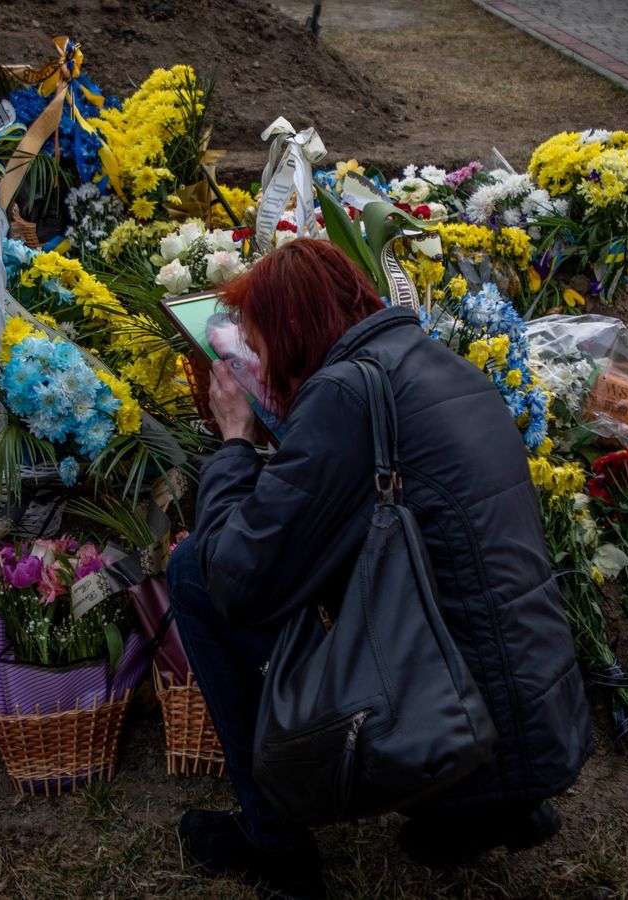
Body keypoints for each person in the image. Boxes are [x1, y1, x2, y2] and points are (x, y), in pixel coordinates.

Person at [168, 239, 591, 899]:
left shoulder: (345, 393)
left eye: (256, 344)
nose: (258, 362)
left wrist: (234, 443)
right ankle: (484, 806)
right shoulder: (433, 365)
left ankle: (272, 840)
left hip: (461, 730)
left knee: (194, 571)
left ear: (290, 332)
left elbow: (237, 577)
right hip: (533, 725)